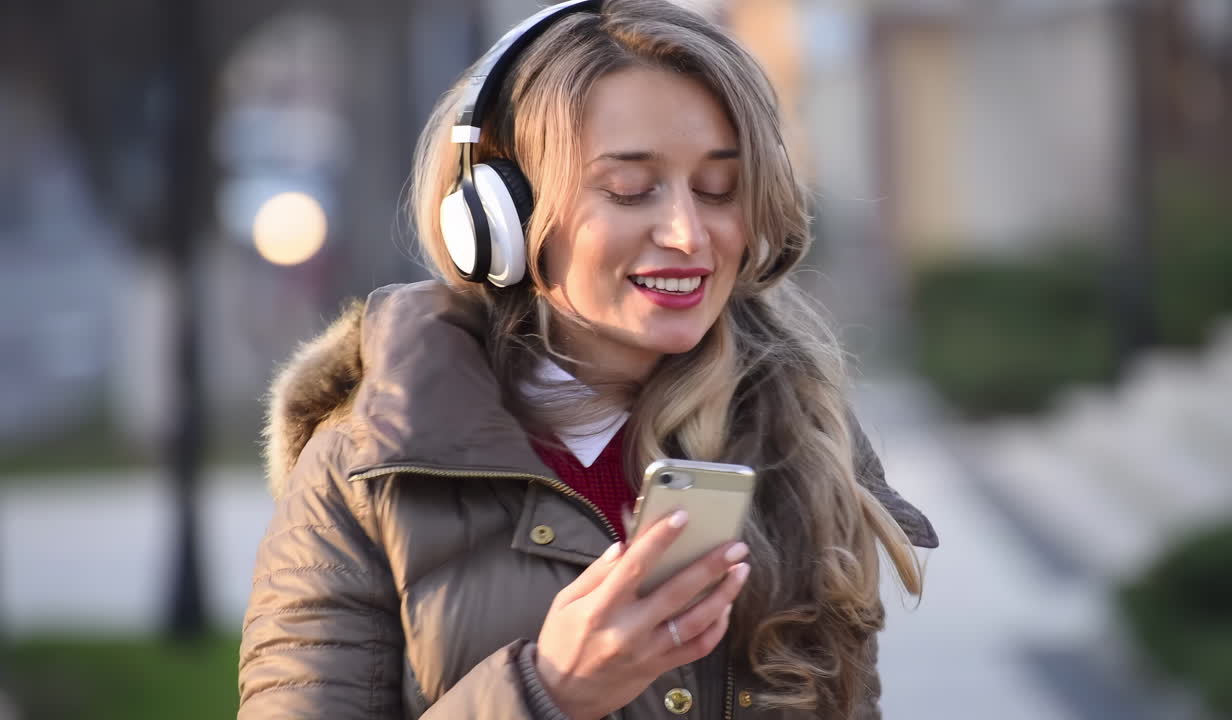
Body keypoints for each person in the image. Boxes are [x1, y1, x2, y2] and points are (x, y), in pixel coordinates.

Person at [237, 1, 938, 718]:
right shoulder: (366, 470)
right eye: (630, 190)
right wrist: (547, 693)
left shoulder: (803, 442)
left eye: (718, 189)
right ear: (498, 215)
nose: (687, 234)